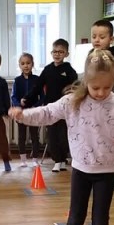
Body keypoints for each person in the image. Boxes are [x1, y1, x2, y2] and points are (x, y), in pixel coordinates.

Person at [10, 49, 114, 225]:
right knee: (76, 216)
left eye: (107, 87)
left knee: (101, 220)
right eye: (95, 87)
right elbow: (47, 113)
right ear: (86, 81)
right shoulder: (72, 102)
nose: (101, 92)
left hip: (107, 171)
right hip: (81, 169)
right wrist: (23, 115)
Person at [28, 38, 77, 173]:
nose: (57, 54)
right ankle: (57, 160)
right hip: (51, 108)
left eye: (60, 52)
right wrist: (27, 99)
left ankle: (63, 159)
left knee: (63, 136)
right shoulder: (48, 69)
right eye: (54, 51)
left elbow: (75, 88)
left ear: (66, 54)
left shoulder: (69, 70)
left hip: (65, 109)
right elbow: (37, 86)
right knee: (52, 135)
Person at [11, 52, 42, 167]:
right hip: (21, 113)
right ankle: (23, 160)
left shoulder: (37, 79)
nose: (26, 66)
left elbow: (42, 97)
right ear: (19, 65)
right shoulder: (17, 80)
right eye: (23, 63)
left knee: (34, 136)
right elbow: (13, 96)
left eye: (28, 63)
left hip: (34, 112)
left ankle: (35, 159)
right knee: (22, 136)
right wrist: (18, 105)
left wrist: (36, 106)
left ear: (32, 64)